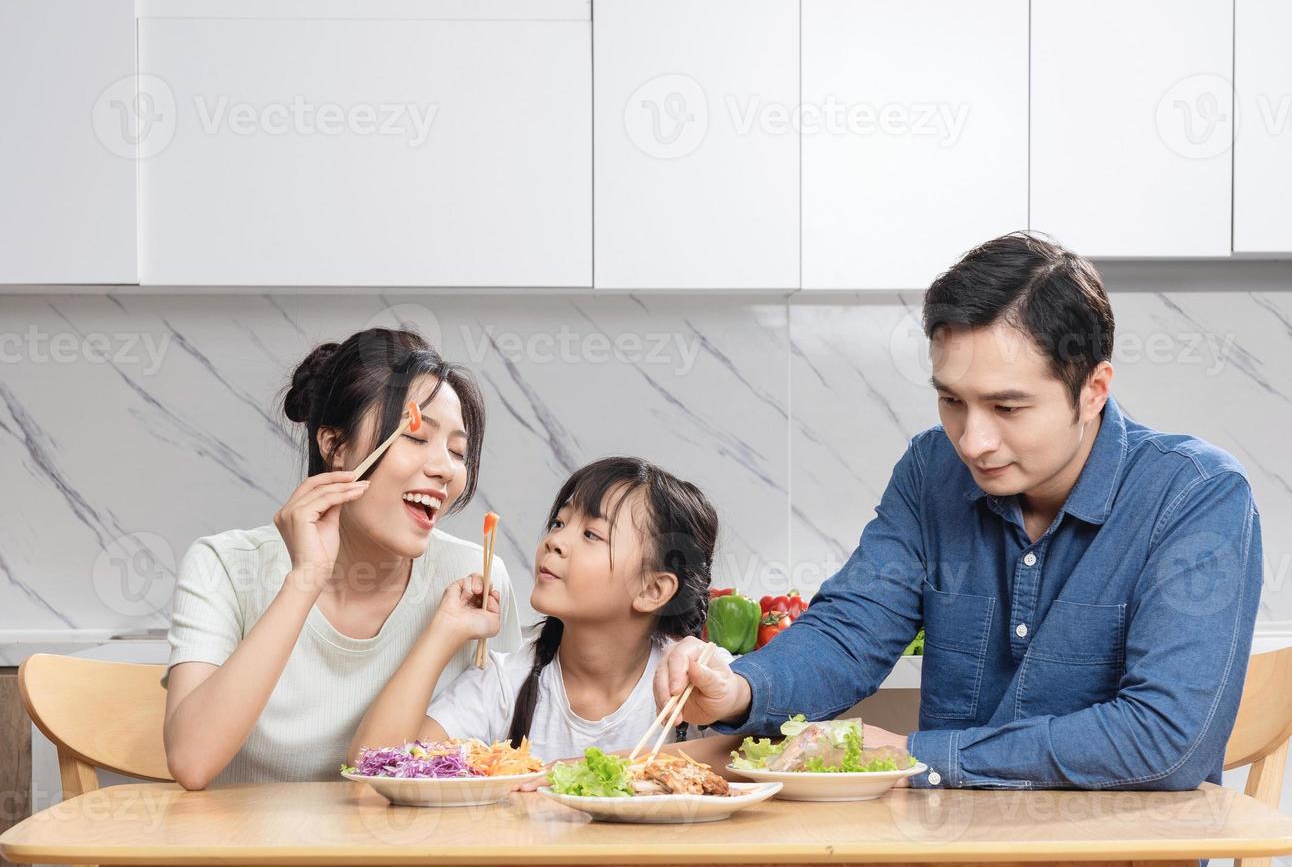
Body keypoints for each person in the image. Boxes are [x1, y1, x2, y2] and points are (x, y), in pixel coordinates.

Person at [656, 233, 1262, 792]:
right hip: (950, 847)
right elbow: (850, 631)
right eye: (952, 400)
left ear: (1093, 389)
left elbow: (1166, 740)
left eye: (1007, 407)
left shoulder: (1196, 496)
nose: (972, 441)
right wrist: (741, 686)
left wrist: (918, 756)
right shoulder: (931, 471)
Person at [163, 328, 521, 788]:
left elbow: (503, 767)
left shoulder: (476, 581)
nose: (445, 469)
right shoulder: (224, 567)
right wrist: (305, 579)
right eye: (414, 437)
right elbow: (192, 762)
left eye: (457, 451)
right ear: (333, 445)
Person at [350, 456, 732, 766]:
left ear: (652, 589)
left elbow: (762, 753)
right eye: (559, 522)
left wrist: (567, 770)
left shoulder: (697, 678)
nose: (555, 541)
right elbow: (377, 767)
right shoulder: (505, 683)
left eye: (591, 535)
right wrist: (443, 632)